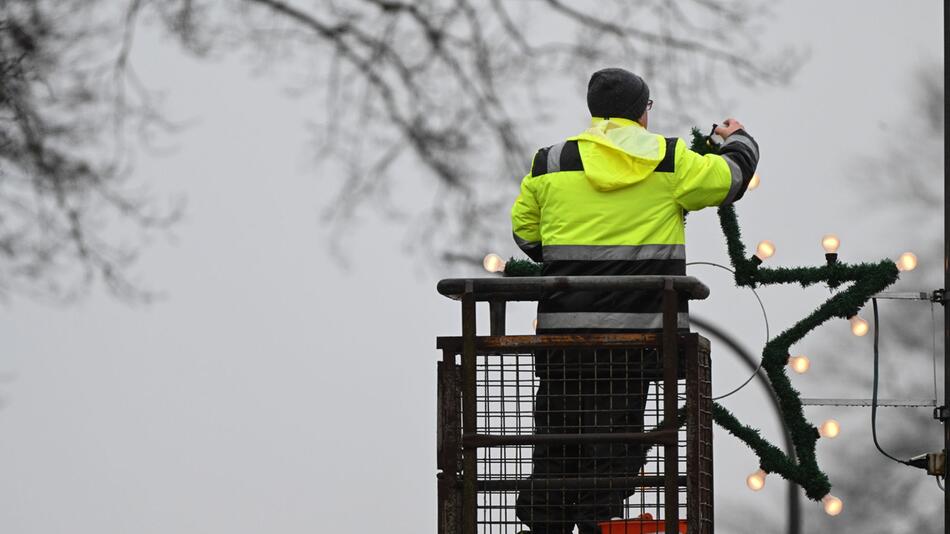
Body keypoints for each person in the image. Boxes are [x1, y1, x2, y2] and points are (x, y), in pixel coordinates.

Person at [510, 67, 759, 533]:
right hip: (638, 342)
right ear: (644, 112)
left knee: (556, 452)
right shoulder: (669, 160)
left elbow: (527, 234)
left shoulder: (551, 161)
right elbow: (732, 179)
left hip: (564, 343)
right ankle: (596, 519)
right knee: (614, 451)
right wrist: (738, 138)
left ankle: (549, 521)